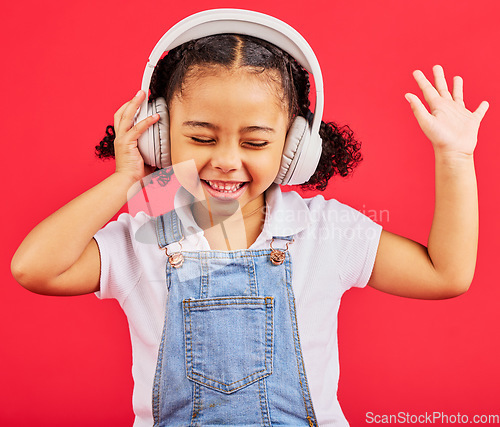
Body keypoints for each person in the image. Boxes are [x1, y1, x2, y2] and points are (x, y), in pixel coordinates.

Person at [11, 9, 488, 427]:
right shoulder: (148, 228)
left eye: (255, 142)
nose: (226, 159)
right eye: (200, 137)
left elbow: (445, 274)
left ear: (294, 146)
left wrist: (455, 158)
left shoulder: (322, 230)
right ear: (160, 135)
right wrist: (125, 178)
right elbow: (35, 268)